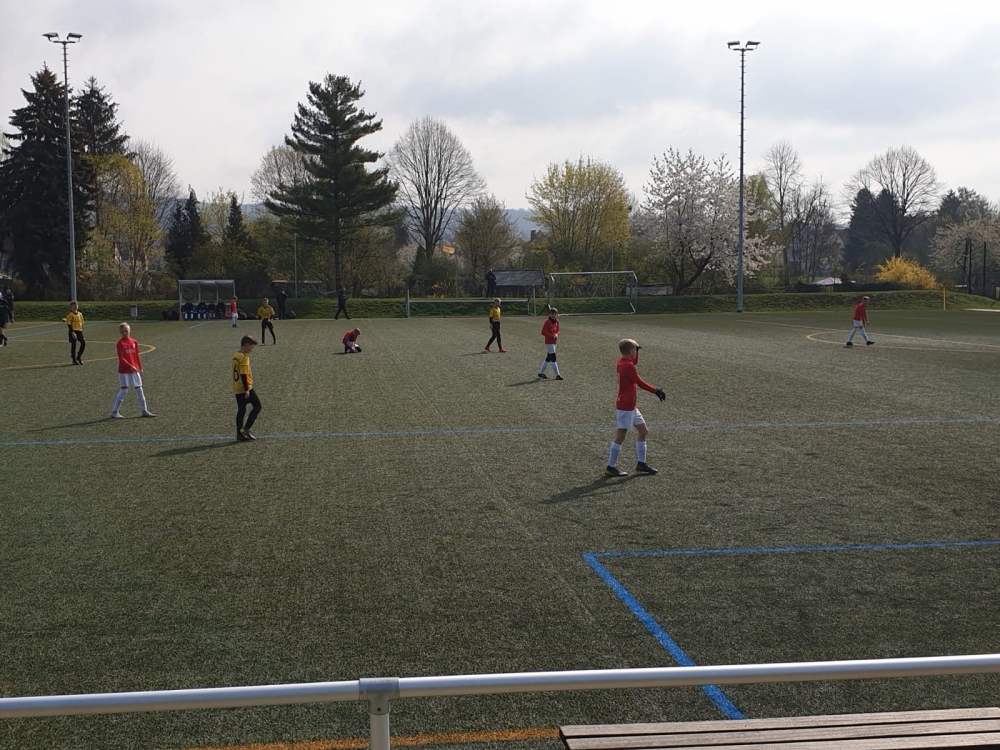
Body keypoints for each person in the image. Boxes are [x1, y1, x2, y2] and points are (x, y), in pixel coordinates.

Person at [605, 338, 665, 477]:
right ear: (631, 351)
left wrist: (636, 349)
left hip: (631, 406)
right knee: (621, 435)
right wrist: (655, 390)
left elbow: (634, 361)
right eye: (635, 350)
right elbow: (639, 382)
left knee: (643, 431)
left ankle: (641, 464)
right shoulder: (628, 367)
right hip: (625, 406)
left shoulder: (622, 362)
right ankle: (610, 466)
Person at [110, 323, 156, 419]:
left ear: (129, 330)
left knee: (139, 389)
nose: (124, 333)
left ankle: (144, 410)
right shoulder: (120, 343)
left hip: (134, 370)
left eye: (126, 330)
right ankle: (114, 411)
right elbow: (121, 358)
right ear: (120, 332)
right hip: (124, 370)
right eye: (122, 331)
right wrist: (130, 366)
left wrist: (140, 367)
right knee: (124, 390)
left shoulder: (134, 342)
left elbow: (136, 355)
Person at [232, 335, 261, 441]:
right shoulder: (244, 357)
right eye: (251, 347)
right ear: (246, 345)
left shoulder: (236, 355)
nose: (251, 350)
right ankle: (246, 428)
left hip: (236, 387)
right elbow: (244, 374)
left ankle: (239, 434)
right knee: (257, 406)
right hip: (244, 387)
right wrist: (247, 389)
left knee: (241, 410)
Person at [537, 306, 562, 380]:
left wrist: (556, 334)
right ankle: (557, 375)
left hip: (554, 342)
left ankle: (540, 373)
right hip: (549, 342)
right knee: (553, 358)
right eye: (552, 314)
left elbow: (558, 331)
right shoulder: (547, 322)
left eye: (555, 314)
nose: (553, 315)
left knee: (548, 358)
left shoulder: (557, 322)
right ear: (549, 314)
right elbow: (543, 332)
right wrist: (551, 336)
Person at [65, 300, 86, 365]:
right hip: (73, 331)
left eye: (76, 305)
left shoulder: (80, 314)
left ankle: (79, 356)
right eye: (74, 305)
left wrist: (81, 330)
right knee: (73, 345)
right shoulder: (69, 314)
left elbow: (82, 322)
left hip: (79, 331)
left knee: (83, 343)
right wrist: (72, 332)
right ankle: (73, 359)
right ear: (71, 307)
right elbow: (69, 324)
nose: (75, 306)